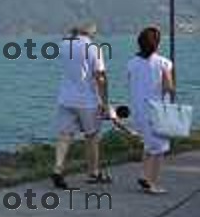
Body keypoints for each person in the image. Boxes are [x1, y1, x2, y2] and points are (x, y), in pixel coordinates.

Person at [51, 22, 112, 189]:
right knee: (91, 137)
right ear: (90, 33)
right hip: (87, 100)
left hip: (65, 98)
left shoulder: (63, 45)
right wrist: (105, 102)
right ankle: (93, 173)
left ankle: (57, 169)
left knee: (64, 136)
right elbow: (100, 77)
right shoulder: (93, 49)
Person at [127, 27, 175, 194]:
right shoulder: (163, 63)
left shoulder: (132, 63)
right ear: (156, 44)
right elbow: (169, 87)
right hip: (157, 111)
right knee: (159, 149)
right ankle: (152, 183)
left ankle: (144, 175)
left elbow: (132, 83)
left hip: (139, 110)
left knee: (148, 145)